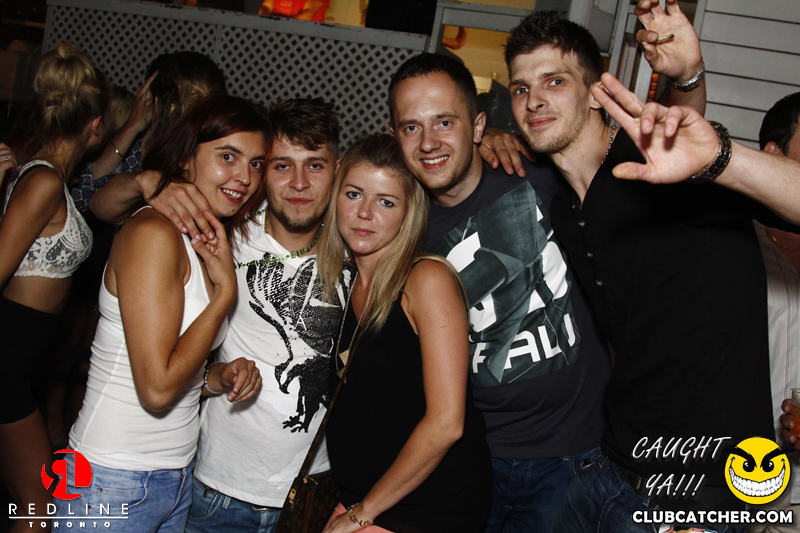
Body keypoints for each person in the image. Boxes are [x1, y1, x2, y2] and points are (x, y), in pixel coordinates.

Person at [503, 10, 800, 532]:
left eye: (555, 81)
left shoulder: (666, 164)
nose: (534, 101)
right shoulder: (564, 209)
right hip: (611, 471)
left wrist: (716, 147)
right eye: (520, 89)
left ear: (596, 93)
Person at [89, 97, 347, 533]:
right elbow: (100, 207)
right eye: (281, 165)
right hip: (203, 486)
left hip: (305, 491)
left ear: (337, 169)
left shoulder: (358, 240)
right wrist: (150, 181)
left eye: (316, 166)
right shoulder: (225, 232)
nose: (299, 183)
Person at [387, 52, 611, 532]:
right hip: (470, 461)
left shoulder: (535, 171)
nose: (428, 142)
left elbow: (647, 154)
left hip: (575, 457)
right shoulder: (397, 228)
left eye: (444, 121)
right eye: (411, 127)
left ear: (477, 125)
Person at [54, 95, 264, 532]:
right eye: (228, 156)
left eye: (256, 163)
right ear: (186, 158)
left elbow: (179, 371)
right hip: (111, 478)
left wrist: (217, 378)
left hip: (174, 476)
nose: (244, 177)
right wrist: (224, 297)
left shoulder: (206, 238)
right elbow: (156, 388)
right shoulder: (154, 232)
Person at [318, 134, 491, 533]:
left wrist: (363, 512)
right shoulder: (348, 279)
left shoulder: (426, 280)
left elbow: (446, 423)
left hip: (425, 506)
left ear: (408, 213)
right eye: (354, 194)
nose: (364, 213)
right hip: (365, 493)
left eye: (386, 202)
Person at [0, 42, 107, 532]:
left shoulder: (46, 176)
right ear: (95, 124)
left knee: (33, 500)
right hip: (5, 360)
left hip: (19, 362)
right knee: (40, 504)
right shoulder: (42, 181)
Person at [71, 51, 227, 212]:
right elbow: (84, 198)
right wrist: (133, 126)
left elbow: (83, 198)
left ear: (155, 102)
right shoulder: (226, 156)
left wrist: (133, 123)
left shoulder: (145, 149)